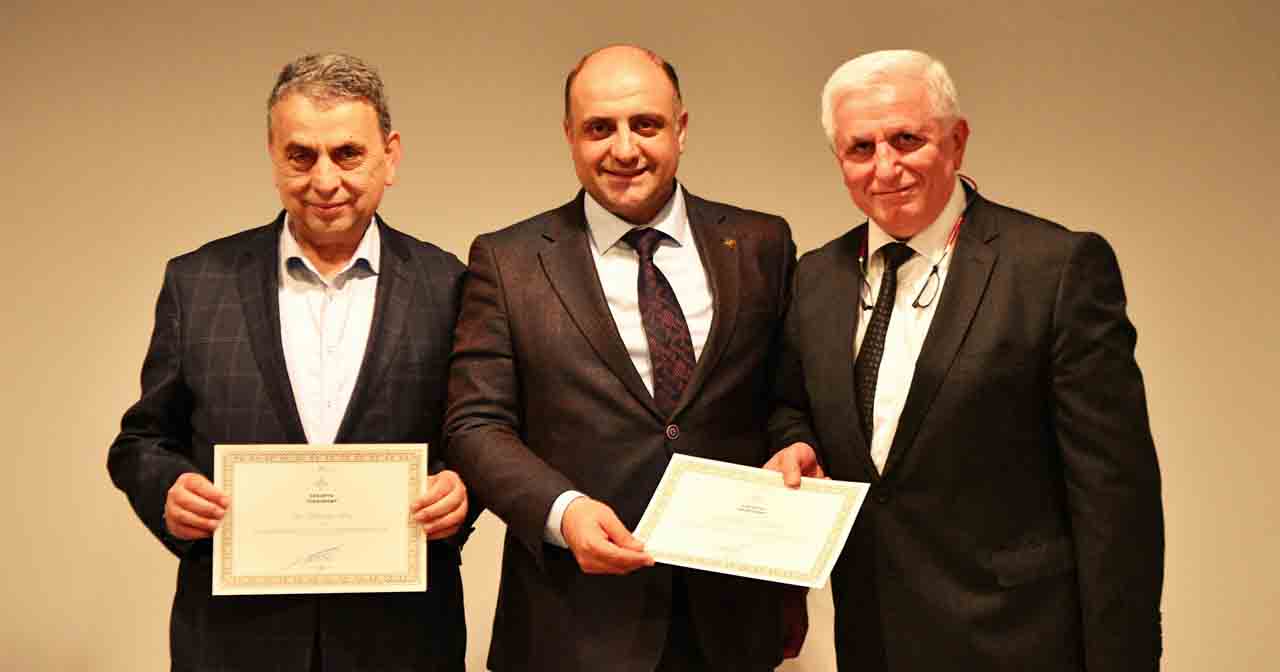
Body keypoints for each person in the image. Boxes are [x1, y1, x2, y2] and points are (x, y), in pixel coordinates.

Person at [766, 49, 1164, 671]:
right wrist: (797, 443)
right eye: (861, 148)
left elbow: (1115, 497)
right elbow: (791, 404)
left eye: (907, 139)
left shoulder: (1055, 269)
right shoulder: (817, 277)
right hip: (874, 640)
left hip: (1020, 643)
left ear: (956, 142)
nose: (886, 167)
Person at [107, 53, 471, 671]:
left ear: (391, 157)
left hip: (402, 638)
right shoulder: (198, 283)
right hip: (234, 640)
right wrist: (166, 488)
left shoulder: (450, 286)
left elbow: (480, 434)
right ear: (273, 156)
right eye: (301, 156)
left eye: (347, 154)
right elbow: (141, 440)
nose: (324, 180)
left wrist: (464, 487)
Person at [445, 44, 801, 671]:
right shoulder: (508, 261)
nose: (625, 149)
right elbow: (476, 424)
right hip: (574, 621)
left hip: (732, 616)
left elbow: (786, 395)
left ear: (681, 129)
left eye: (646, 124)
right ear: (569, 135)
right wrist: (564, 512)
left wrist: (796, 443)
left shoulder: (761, 243)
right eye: (599, 129)